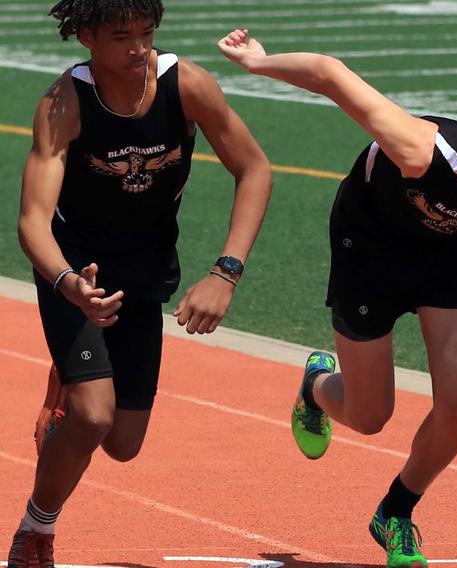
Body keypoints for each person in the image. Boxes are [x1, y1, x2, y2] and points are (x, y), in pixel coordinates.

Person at [218, 29, 457, 568]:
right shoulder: (423, 150)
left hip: (446, 256)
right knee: (369, 416)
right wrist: (258, 63)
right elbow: (331, 75)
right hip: (370, 248)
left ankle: (396, 513)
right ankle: (317, 388)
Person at [8, 1, 272, 565]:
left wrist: (226, 270)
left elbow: (255, 169)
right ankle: (37, 530)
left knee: (123, 444)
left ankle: (65, 397)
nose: (138, 47)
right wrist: (65, 282)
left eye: (147, 33)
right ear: (85, 38)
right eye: (121, 35)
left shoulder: (188, 85)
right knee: (95, 415)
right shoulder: (63, 104)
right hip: (77, 270)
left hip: (145, 270)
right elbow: (32, 219)